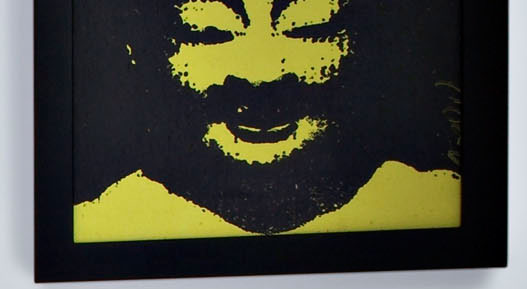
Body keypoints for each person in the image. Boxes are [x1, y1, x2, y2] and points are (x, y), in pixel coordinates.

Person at [73, 0, 461, 243]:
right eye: (209, 31)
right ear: (139, 49)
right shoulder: (97, 223)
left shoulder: (437, 205)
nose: (261, 74)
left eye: (309, 26)